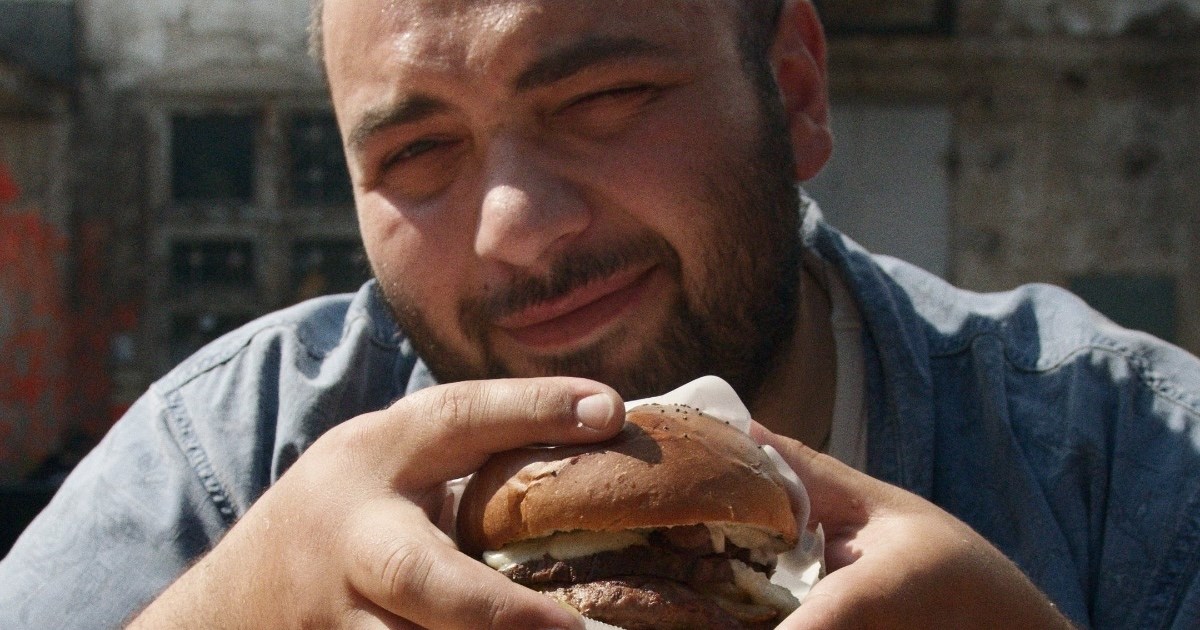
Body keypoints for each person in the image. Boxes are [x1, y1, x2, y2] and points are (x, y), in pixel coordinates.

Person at [2, 0, 1198, 627]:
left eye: (607, 97)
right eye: (420, 153)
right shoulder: (233, 463)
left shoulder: (1127, 469)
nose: (516, 225)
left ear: (794, 91)